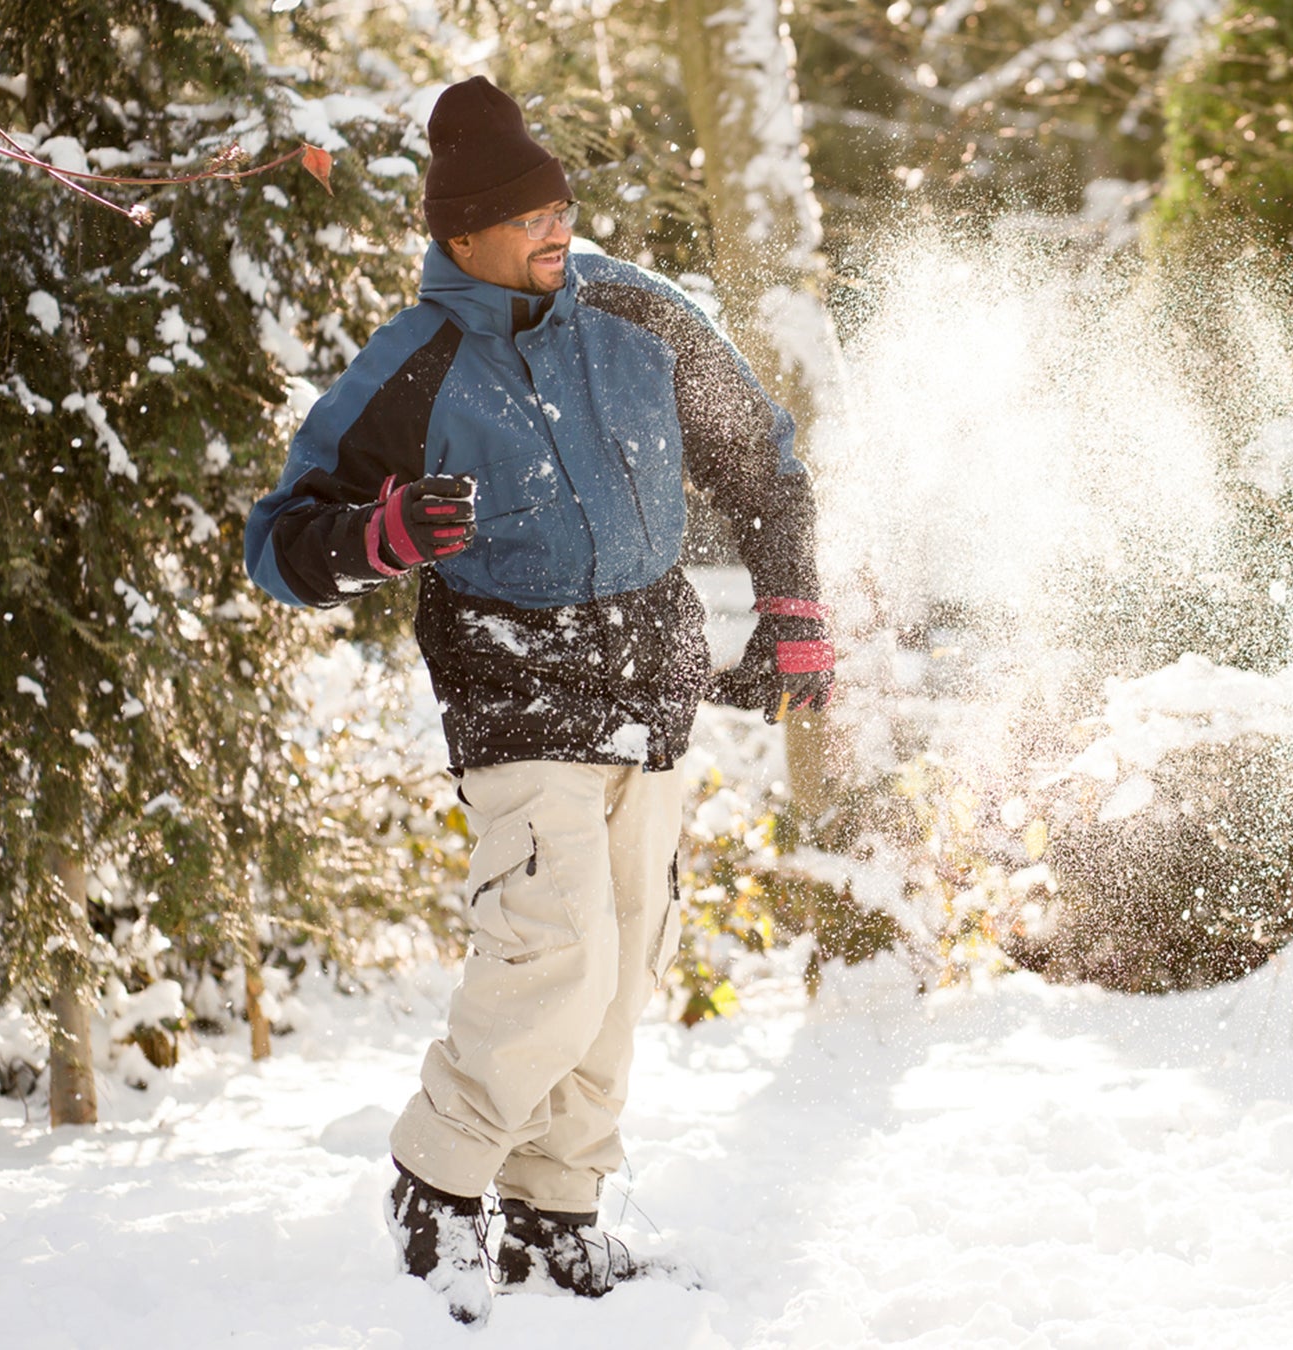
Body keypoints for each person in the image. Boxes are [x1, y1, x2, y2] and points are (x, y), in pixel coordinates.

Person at [244, 75, 833, 1324]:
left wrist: (791, 610)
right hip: (514, 693)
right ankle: (438, 1185)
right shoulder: (415, 362)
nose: (556, 228)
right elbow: (280, 543)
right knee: (553, 955)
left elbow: (764, 459)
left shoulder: (638, 314)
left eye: (562, 203)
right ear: (460, 236)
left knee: (623, 969)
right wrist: (382, 534)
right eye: (527, 216)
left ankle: (556, 1211)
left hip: (653, 688)